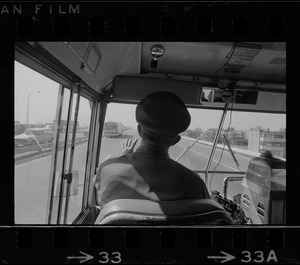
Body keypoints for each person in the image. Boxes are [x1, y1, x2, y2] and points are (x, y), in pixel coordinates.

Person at [93, 91, 210, 208]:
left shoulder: (106, 170)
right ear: (176, 141)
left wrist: (125, 158)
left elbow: (100, 204)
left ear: (139, 131)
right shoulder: (194, 184)